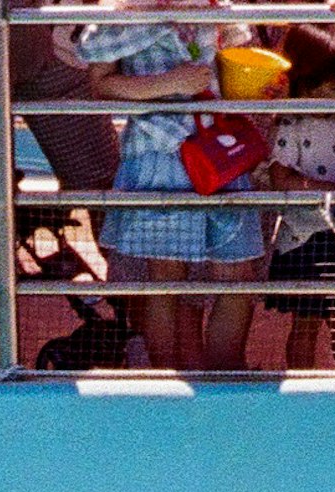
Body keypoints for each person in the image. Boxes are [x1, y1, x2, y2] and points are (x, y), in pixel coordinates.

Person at [75, 0, 265, 369]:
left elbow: (228, 67)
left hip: (218, 150)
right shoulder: (124, 13)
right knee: (167, 278)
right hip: (160, 151)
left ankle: (226, 387)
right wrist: (169, 82)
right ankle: (168, 387)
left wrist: (256, 85)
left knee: (238, 274)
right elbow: (100, 85)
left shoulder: (214, 7)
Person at [257, 46, 335, 369]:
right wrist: (325, 190)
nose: (324, 99)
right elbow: (281, 176)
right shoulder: (290, 126)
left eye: (333, 91)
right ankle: (301, 390)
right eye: (315, 90)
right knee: (305, 322)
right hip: (306, 237)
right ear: (299, 87)